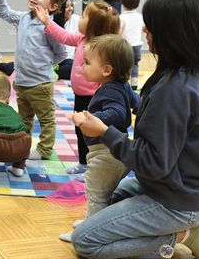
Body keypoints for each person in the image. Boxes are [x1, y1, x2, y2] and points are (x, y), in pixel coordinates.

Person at [72, 0, 199, 259]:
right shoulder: (192, 75)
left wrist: (105, 132)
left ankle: (182, 235)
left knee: (85, 241)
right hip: (183, 189)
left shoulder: (175, 90)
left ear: (172, 33)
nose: (145, 31)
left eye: (152, 26)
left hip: (176, 199)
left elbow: (153, 163)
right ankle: (181, 231)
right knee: (115, 196)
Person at [57, 34, 139, 242]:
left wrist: (88, 118)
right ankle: (92, 222)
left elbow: (119, 113)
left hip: (106, 153)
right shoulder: (122, 85)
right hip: (114, 152)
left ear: (106, 70)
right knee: (103, 192)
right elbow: (136, 102)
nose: (82, 67)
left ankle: (88, 234)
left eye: (86, 63)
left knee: (96, 193)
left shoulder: (110, 89)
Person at [34, 0, 120, 176]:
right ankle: (83, 163)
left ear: (94, 26)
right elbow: (64, 36)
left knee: (93, 135)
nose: (79, 18)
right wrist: (47, 22)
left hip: (95, 99)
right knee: (80, 131)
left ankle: (93, 168)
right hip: (79, 96)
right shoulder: (82, 39)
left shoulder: (101, 48)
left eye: (84, 16)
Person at [0, 0, 67, 160]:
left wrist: (44, 64)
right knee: (24, 119)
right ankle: (23, 145)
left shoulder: (49, 26)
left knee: (46, 119)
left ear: (53, 6)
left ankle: (44, 150)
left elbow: (61, 53)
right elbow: (4, 13)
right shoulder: (24, 18)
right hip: (22, 82)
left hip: (40, 84)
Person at [120, 0, 144, 90]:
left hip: (125, 45)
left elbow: (119, 32)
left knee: (123, 64)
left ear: (122, 4)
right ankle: (134, 83)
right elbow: (143, 28)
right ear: (138, 5)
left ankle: (123, 82)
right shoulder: (140, 16)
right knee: (135, 64)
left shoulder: (121, 17)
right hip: (137, 45)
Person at [52, 0, 79, 80]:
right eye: (67, 6)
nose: (70, 9)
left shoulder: (76, 19)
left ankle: (47, 72)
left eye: (71, 5)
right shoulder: (52, 21)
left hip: (68, 60)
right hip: (53, 60)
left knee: (74, 68)